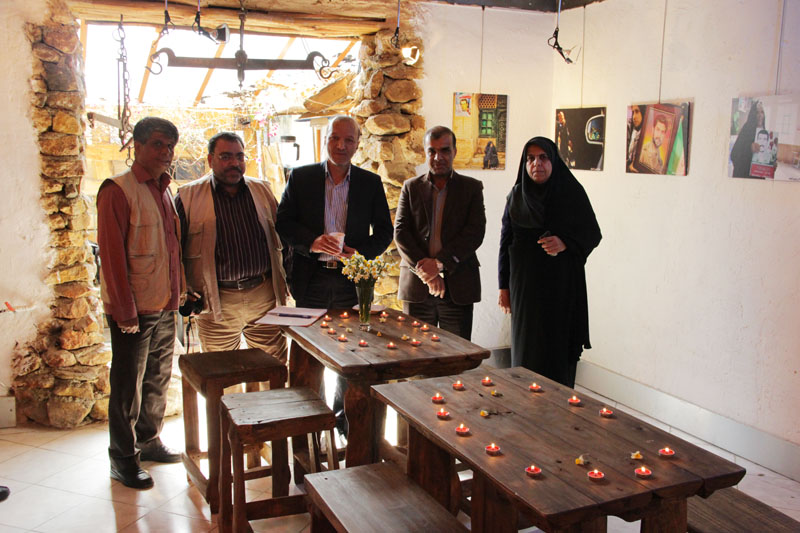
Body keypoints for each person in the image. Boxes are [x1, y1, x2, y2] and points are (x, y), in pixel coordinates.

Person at [276, 115, 392, 438]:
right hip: (310, 279)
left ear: (357, 144)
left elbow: (385, 232)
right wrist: (311, 242)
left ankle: (344, 423)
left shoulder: (370, 183)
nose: (341, 145)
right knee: (307, 356)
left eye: (348, 140)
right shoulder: (301, 178)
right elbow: (283, 222)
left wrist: (361, 254)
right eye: (334, 138)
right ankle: (308, 424)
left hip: (349, 283)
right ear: (325, 139)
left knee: (351, 354)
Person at [97, 117, 184, 489]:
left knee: (158, 377)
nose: (165, 153)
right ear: (137, 145)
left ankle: (149, 441)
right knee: (127, 386)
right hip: (134, 308)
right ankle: (122, 458)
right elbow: (112, 256)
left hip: (163, 303)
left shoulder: (163, 189)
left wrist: (178, 297)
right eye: (158, 144)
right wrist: (124, 310)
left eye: (170, 146)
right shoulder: (118, 190)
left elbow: (169, 249)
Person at [175, 132, 287, 363]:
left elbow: (284, 239)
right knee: (222, 374)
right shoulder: (188, 197)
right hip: (216, 302)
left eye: (239, 156)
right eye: (225, 156)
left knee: (272, 369)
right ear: (210, 160)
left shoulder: (262, 191)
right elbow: (174, 252)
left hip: (264, 298)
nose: (234, 163)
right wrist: (184, 293)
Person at [498, 137, 601, 388]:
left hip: (561, 288)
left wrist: (565, 242)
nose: (537, 164)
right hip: (525, 290)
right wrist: (503, 287)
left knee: (557, 352)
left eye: (543, 158)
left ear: (553, 160)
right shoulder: (516, 196)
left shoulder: (571, 193)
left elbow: (592, 233)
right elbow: (505, 243)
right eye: (530, 159)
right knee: (526, 352)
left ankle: (559, 407)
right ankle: (524, 405)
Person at [395, 126, 486, 340]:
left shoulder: (471, 188)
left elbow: (475, 232)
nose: (438, 157)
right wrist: (427, 273)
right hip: (417, 287)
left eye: (444, 150)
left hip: (458, 287)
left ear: (454, 151)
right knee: (416, 354)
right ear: (425, 153)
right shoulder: (410, 187)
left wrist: (438, 264)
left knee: (456, 354)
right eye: (432, 151)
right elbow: (401, 233)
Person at [730, 100, 765, 178]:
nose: (760, 115)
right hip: (745, 176)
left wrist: (771, 166)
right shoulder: (746, 129)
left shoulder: (764, 132)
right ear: (753, 114)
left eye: (762, 112)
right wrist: (750, 147)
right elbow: (734, 154)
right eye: (757, 112)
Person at [626, 105, 646, 172]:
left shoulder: (646, 134)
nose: (634, 117)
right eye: (633, 112)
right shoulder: (634, 129)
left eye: (637, 111)